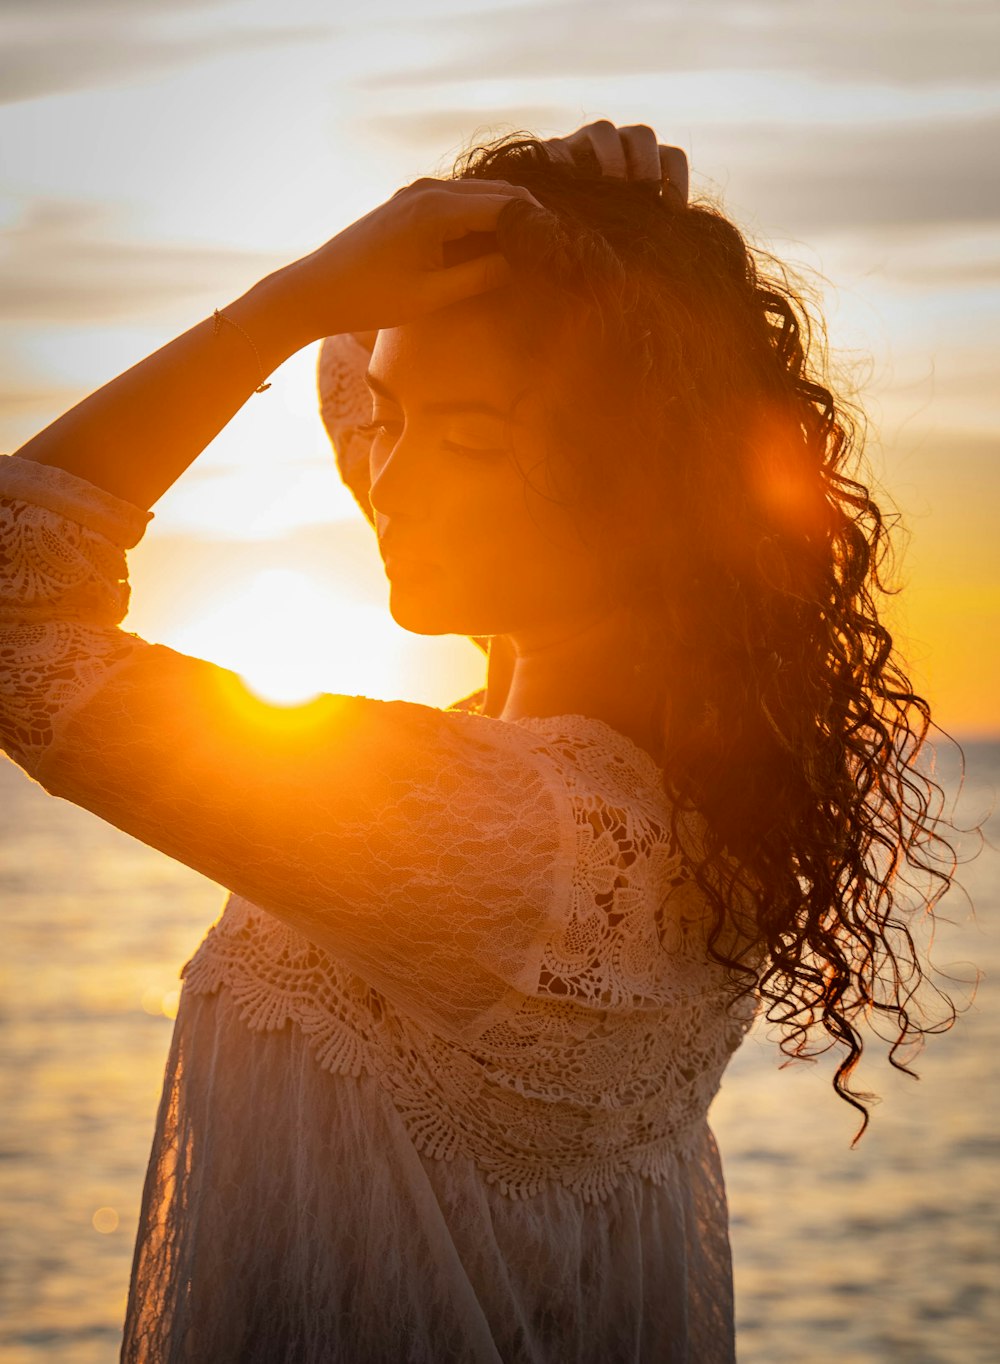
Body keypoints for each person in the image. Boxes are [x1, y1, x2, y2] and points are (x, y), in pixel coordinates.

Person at [0, 122, 956, 1363]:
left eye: (469, 441)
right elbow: (369, 373)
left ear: (636, 479)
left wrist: (276, 307)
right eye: (396, 421)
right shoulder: (677, 777)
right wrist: (519, 216)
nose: (391, 477)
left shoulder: (494, 834)